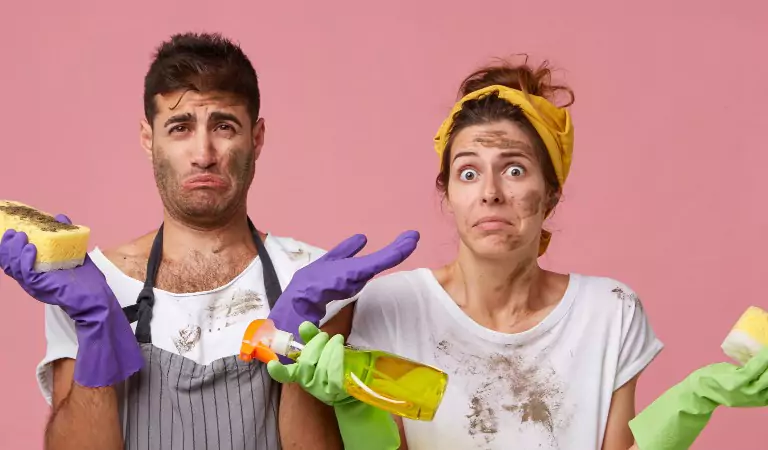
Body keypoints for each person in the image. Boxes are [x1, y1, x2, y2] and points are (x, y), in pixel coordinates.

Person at [268, 57, 768, 450]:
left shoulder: (610, 312)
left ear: (550, 193)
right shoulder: (389, 306)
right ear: (448, 194)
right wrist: (354, 406)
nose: (490, 193)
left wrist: (698, 397)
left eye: (514, 170)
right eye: (468, 173)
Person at [0, 31, 418, 450]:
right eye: (180, 127)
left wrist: (294, 342)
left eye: (224, 126)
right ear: (149, 139)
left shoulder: (317, 283)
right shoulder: (91, 285)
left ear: (256, 137)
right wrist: (95, 324)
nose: (204, 154)